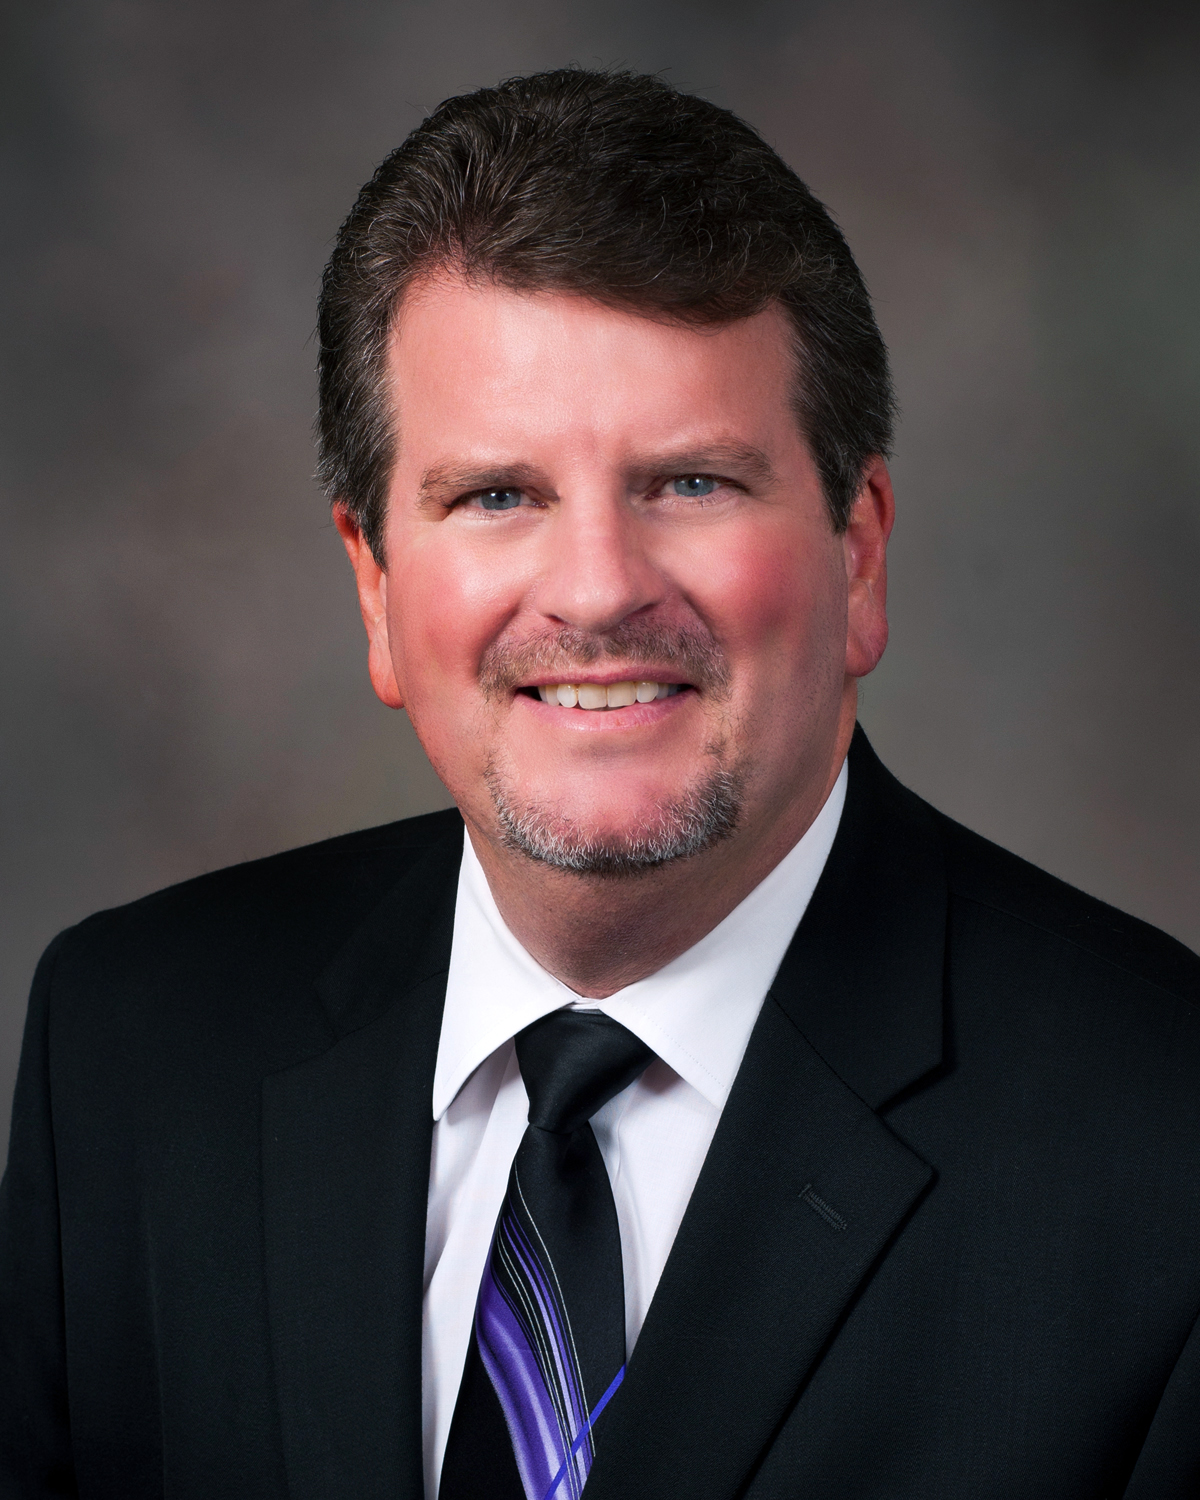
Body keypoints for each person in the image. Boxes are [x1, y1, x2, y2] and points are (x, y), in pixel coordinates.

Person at [1, 67, 1198, 1500]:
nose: (597, 589)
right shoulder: (133, 1050)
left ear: (860, 553)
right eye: (496, 495)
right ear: (375, 586)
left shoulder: (1162, 1146)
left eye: (690, 482)